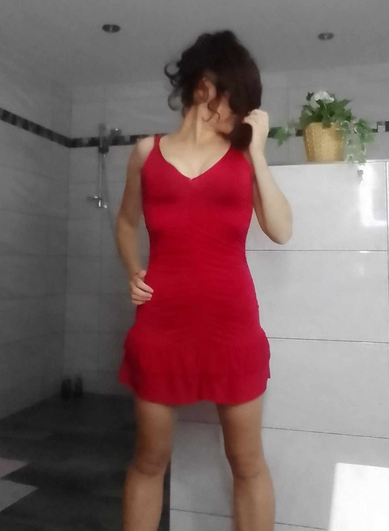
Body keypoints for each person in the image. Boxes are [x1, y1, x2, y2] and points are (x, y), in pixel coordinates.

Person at [115, 29, 292, 531]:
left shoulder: (243, 157)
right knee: (149, 460)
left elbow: (281, 229)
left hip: (232, 328)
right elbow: (125, 222)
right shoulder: (146, 152)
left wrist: (258, 155)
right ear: (205, 87)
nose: (244, 111)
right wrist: (132, 270)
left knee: (247, 462)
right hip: (161, 328)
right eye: (239, 97)